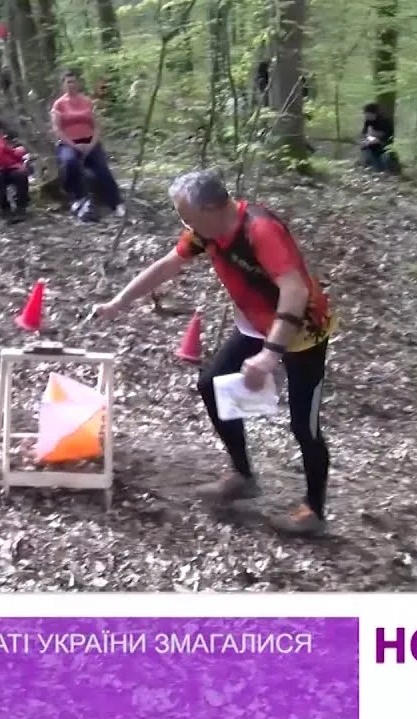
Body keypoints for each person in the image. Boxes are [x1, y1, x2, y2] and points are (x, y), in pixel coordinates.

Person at [91, 170, 336, 536]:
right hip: (256, 322)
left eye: (187, 216)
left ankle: (314, 511)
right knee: (211, 384)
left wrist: (270, 354)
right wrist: (119, 302)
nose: (185, 224)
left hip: (303, 331)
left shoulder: (260, 230)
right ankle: (242, 476)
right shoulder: (205, 232)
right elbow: (169, 264)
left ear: (211, 208)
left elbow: (295, 290)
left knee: (304, 425)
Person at [51, 70, 124, 222]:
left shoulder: (87, 102)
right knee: (69, 163)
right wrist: (74, 146)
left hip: (90, 141)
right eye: (68, 82)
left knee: (102, 167)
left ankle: (116, 203)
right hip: (68, 143)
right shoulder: (59, 104)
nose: (71, 85)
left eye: (73, 81)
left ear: (78, 84)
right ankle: (77, 198)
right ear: (63, 85)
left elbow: (97, 126)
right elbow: (57, 129)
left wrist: (91, 144)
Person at [360, 103, 396, 173]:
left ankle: (384, 171)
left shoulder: (384, 122)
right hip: (371, 147)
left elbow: (387, 136)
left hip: (384, 148)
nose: (366, 115)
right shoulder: (368, 121)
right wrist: (365, 141)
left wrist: (374, 138)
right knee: (365, 150)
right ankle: (371, 169)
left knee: (385, 158)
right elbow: (365, 134)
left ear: (373, 113)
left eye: (367, 114)